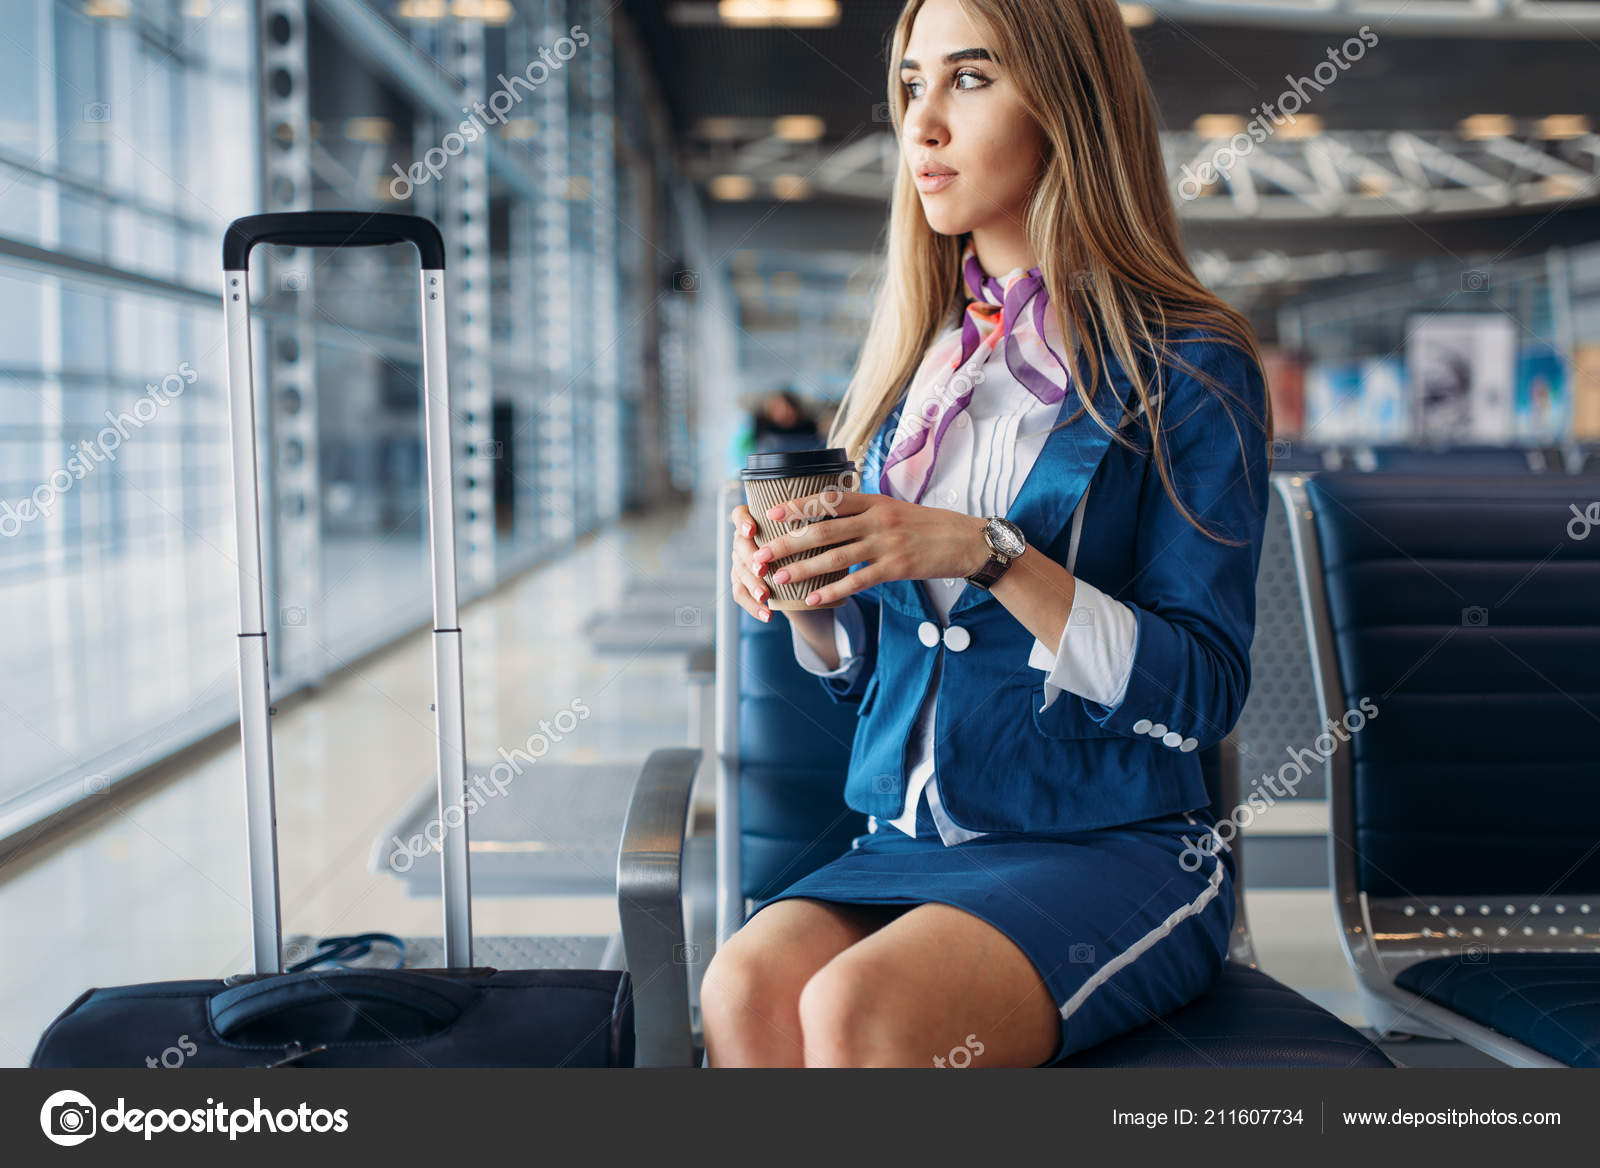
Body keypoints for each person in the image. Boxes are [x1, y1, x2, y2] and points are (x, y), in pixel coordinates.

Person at [705, 0, 1272, 1068]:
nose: (920, 124)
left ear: (1068, 105)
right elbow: (863, 674)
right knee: (741, 987)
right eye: (912, 85)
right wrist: (808, 598)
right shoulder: (912, 373)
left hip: (1109, 842)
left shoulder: (1192, 368)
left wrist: (988, 553)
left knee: (854, 1011)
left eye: (969, 79)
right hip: (907, 840)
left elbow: (1200, 688)